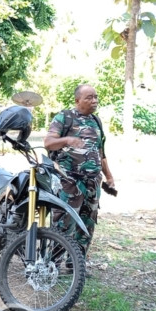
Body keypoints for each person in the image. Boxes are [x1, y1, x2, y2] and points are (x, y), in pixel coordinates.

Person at [43, 83, 115, 257]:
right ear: (77, 100)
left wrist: (109, 177)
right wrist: (67, 140)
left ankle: (76, 264)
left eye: (95, 97)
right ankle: (54, 263)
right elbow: (48, 143)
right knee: (64, 223)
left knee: (87, 224)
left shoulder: (96, 121)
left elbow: (100, 152)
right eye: (89, 97)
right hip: (69, 182)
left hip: (93, 182)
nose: (94, 101)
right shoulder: (64, 117)